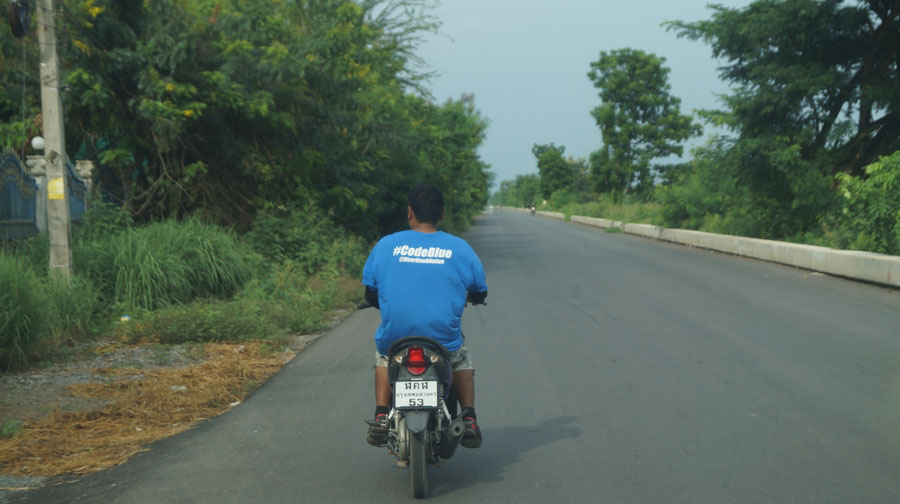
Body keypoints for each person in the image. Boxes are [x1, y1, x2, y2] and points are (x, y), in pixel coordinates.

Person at [362, 183, 488, 449]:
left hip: (396, 337)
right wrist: (473, 297)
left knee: (384, 357)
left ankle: (382, 415)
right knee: (460, 358)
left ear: (410, 212)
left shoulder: (386, 245)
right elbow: (479, 290)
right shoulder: (460, 248)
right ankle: (469, 418)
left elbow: (370, 293)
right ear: (441, 213)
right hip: (442, 338)